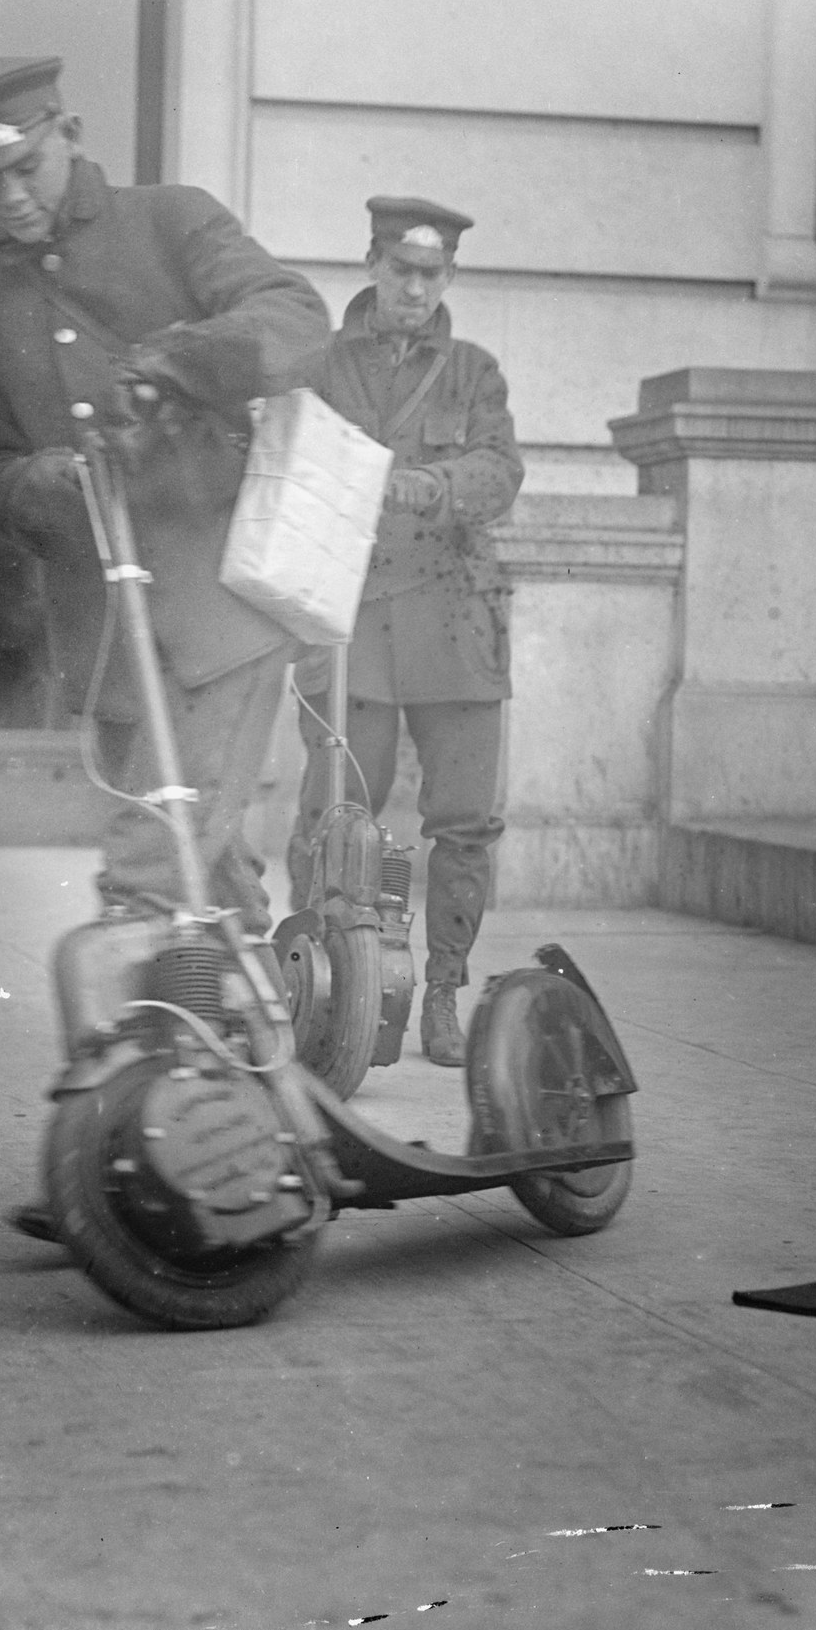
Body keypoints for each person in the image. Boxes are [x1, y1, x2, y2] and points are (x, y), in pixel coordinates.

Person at [0, 54, 331, 929]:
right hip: (108, 627)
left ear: (68, 133)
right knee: (204, 867)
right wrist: (57, 481)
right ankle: (249, 1037)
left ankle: (149, 1040)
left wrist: (172, 364)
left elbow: (294, 318)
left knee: (149, 867)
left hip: (224, 600)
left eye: (23, 170)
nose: (10, 201)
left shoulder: (171, 219)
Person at [283, 197, 523, 1068]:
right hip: (354, 619)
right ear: (374, 265)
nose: (415, 288)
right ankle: (321, 979)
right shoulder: (323, 366)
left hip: (455, 617)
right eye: (401, 270)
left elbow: (500, 469)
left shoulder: (473, 372)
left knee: (462, 822)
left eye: (432, 274)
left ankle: (445, 992)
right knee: (335, 810)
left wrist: (437, 485)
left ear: (448, 276)